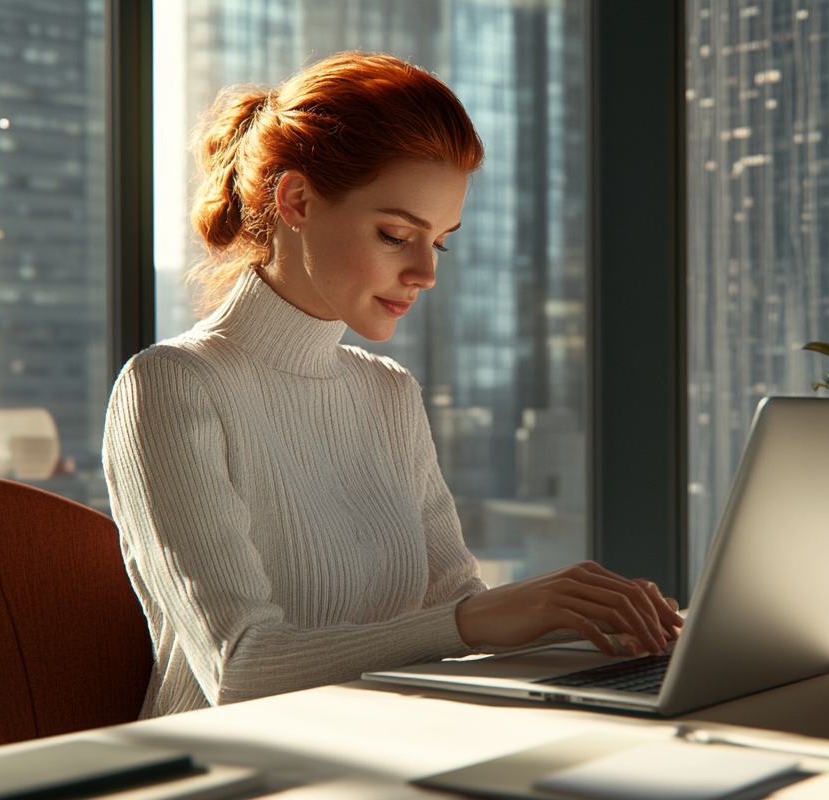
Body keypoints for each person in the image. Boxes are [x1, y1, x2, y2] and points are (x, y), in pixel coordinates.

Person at [104, 52, 682, 718]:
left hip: (390, 747)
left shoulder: (388, 392)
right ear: (295, 200)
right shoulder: (173, 386)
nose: (424, 272)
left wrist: (579, 622)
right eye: (396, 234)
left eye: (439, 242)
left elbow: (451, 611)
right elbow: (241, 670)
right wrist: (473, 620)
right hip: (229, 772)